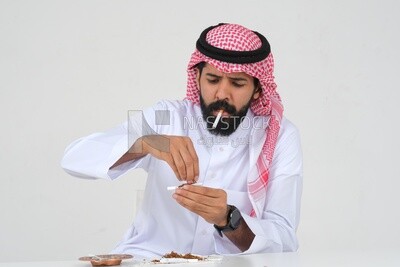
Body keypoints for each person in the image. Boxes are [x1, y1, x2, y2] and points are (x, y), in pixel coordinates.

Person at [61, 23, 303, 259]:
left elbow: (284, 238)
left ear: (258, 89)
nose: (222, 94)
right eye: (212, 80)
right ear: (197, 78)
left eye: (237, 83)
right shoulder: (167, 116)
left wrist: (228, 219)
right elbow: (73, 159)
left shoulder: (280, 136)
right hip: (149, 257)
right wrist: (145, 143)